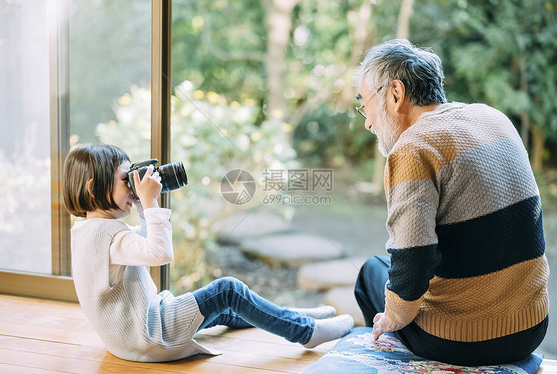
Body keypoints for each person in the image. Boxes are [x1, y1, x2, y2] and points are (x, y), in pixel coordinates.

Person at [353, 39, 549, 366]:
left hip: (465, 340)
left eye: (365, 104)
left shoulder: (412, 148)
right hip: (532, 327)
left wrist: (391, 318)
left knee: (370, 273)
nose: (367, 122)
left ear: (396, 94)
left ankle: (385, 363)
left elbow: (413, 264)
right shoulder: (494, 118)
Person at [63, 143, 353, 362]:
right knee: (227, 291)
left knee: (226, 310)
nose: (134, 187)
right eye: (126, 180)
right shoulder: (108, 235)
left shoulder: (90, 231)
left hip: (131, 337)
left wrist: (142, 209)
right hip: (148, 337)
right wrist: (150, 204)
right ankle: (306, 332)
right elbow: (159, 253)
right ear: (93, 188)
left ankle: (291, 317)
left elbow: (139, 250)